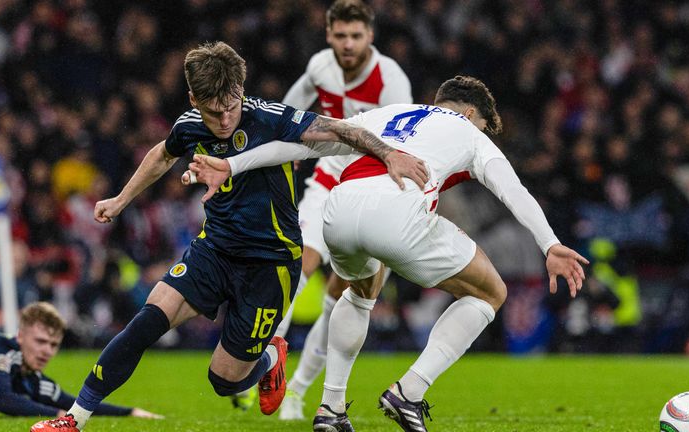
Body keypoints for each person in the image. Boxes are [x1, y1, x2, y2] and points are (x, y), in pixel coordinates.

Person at [31, 40, 428, 432]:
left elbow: (341, 130)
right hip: (215, 250)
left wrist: (390, 153)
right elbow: (162, 154)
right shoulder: (188, 126)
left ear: (241, 90)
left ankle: (270, 359)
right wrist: (121, 199)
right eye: (211, 112)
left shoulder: (271, 118)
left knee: (224, 381)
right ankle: (73, 419)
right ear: (192, 98)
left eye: (230, 108)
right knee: (145, 322)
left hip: (270, 265)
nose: (223, 121)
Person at [187, 75, 588, 432]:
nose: (481, 131)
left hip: (340, 211)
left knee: (360, 293)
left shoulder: (385, 114)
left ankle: (331, 408)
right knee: (490, 292)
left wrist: (233, 164)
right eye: (483, 125)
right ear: (469, 113)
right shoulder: (468, 131)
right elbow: (512, 190)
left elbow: (296, 146)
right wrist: (550, 244)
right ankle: (409, 391)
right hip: (398, 214)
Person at [273, 0, 412, 420]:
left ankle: (297, 391)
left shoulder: (390, 80)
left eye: (356, 36)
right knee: (299, 264)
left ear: (370, 36)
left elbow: (403, 144)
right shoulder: (320, 66)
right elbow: (288, 108)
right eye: (340, 36)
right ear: (328, 34)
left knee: (341, 299)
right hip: (329, 177)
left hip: (372, 189)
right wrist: (287, 145)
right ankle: (269, 363)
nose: (347, 44)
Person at [0, 302, 160, 419]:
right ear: (20, 336)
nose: (47, 351)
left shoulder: (33, 380)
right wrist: (58, 414)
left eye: (53, 344)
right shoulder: (0, 348)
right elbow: (3, 399)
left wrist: (129, 412)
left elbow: (71, 404)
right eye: (40, 341)